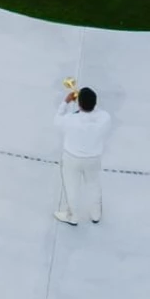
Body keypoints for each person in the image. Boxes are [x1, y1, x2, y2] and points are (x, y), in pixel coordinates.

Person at [54, 83, 111, 226]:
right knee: (94, 185)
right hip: (93, 159)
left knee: (71, 187)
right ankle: (96, 214)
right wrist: (84, 102)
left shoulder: (69, 120)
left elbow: (57, 119)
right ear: (95, 103)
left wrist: (66, 101)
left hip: (71, 158)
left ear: (78, 104)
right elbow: (96, 111)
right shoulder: (104, 118)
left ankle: (72, 216)